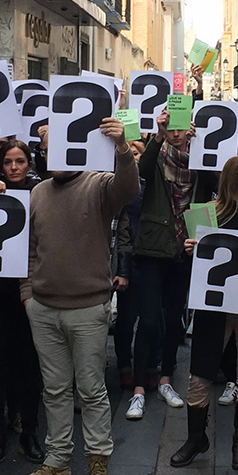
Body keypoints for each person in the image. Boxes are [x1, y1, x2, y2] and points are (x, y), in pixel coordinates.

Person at [17, 115, 139, 475]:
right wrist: (28, 295)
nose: (53, 154)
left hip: (88, 308)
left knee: (91, 391)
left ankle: (98, 464)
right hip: (44, 308)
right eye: (47, 148)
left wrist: (121, 147)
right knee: (53, 390)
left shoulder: (98, 184)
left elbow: (129, 187)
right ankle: (58, 462)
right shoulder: (37, 193)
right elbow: (30, 249)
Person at [172, 155, 238, 469]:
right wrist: (189, 252)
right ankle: (195, 439)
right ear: (229, 181)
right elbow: (193, 271)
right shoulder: (207, 215)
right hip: (214, 308)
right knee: (200, 374)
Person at [128, 107, 205, 414]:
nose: (175, 133)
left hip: (183, 249)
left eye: (180, 127)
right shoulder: (157, 154)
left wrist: (203, 146)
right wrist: (156, 137)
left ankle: (165, 379)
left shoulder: (200, 160)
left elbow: (213, 183)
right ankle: (137, 388)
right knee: (147, 321)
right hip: (152, 249)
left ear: (190, 128)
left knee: (174, 319)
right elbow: (141, 171)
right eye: (170, 128)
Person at [0, 140, 46, 463]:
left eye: (20, 161)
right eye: (9, 162)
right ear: (1, 166)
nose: (15, 167)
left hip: (29, 292)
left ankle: (30, 433)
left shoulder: (41, 193)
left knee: (28, 366)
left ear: (29, 164)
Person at [114, 140, 145, 394]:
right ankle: (124, 365)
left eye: (137, 153)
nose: (133, 158)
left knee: (148, 317)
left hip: (145, 259)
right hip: (124, 258)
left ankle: (148, 366)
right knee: (124, 319)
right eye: (129, 153)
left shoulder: (149, 186)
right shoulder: (116, 186)